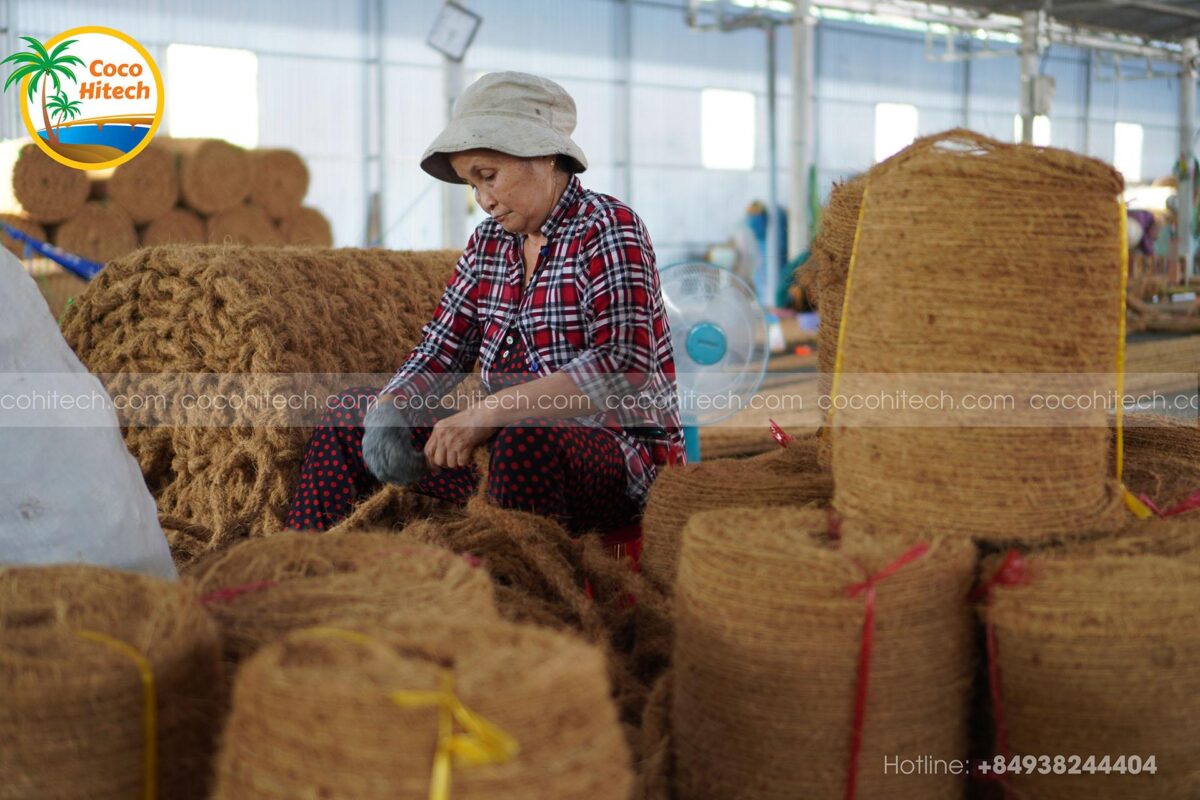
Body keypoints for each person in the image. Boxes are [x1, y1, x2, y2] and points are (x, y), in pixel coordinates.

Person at [285, 71, 684, 535]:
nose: (483, 200)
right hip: (505, 446)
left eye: (488, 177)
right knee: (349, 416)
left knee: (526, 440)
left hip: (615, 458)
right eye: (471, 185)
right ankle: (302, 570)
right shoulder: (488, 244)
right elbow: (441, 351)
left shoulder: (608, 227)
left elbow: (620, 367)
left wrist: (489, 412)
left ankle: (510, 596)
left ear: (545, 155)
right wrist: (392, 406)